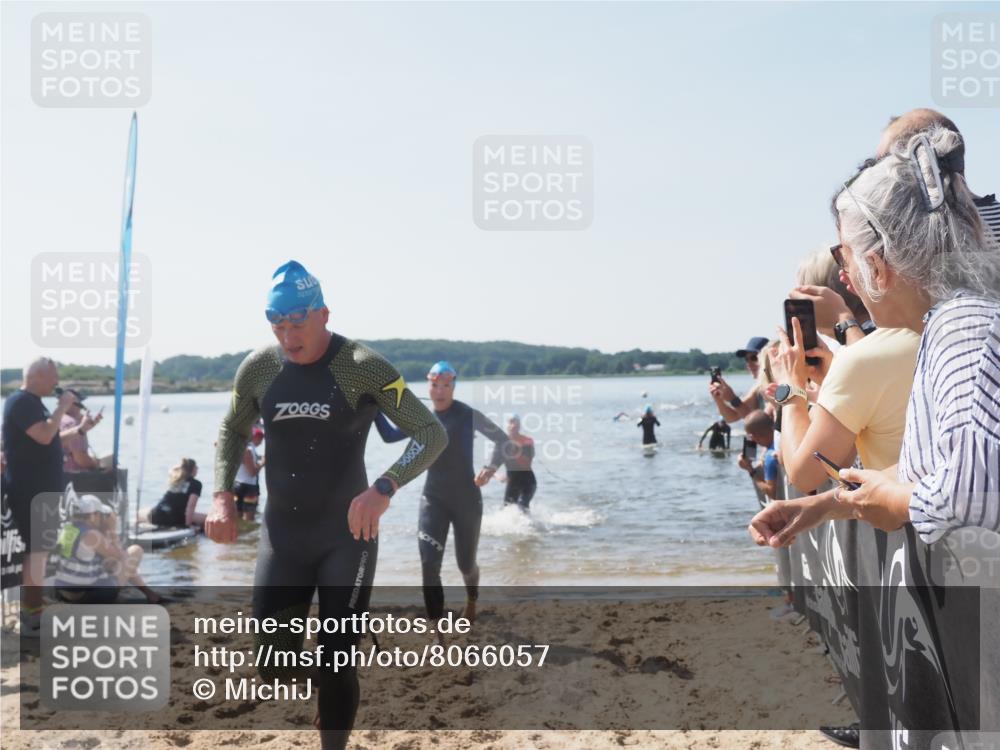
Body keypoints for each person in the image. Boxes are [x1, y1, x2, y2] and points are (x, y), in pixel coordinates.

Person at [204, 260, 447, 750]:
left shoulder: (361, 366)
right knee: (272, 665)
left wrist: (384, 487)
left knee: (338, 657)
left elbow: (430, 433)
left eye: (297, 323)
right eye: (277, 324)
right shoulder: (259, 367)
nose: (287, 335)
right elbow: (231, 429)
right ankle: (330, 685)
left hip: (347, 536)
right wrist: (222, 495)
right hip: (284, 537)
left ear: (323, 314)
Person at [750, 125, 1000, 545]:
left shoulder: (962, 325)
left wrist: (899, 503)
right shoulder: (948, 320)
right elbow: (944, 465)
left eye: (844, 257)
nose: (846, 281)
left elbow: (975, 492)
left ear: (878, 268)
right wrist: (820, 507)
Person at [417, 360, 508, 626]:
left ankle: (471, 601)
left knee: (465, 565)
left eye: (446, 385)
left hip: (466, 499)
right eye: (435, 385)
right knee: (429, 564)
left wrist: (490, 468)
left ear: (454, 387)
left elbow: (503, 440)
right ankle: (437, 631)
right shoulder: (422, 418)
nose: (440, 391)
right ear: (429, 385)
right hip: (432, 499)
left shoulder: (467, 414)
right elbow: (389, 435)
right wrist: (374, 407)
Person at [1, 357, 73, 636]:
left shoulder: (31, 403)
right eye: (53, 377)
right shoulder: (21, 402)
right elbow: (44, 436)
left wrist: (78, 429)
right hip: (29, 489)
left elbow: (49, 438)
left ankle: (33, 609)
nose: (57, 383)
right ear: (37, 377)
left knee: (39, 551)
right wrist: (62, 407)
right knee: (37, 552)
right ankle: (32, 613)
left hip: (40, 489)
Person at [55, 487, 160, 604]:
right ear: (93, 515)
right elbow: (121, 556)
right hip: (83, 596)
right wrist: (112, 530)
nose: (102, 518)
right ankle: (149, 593)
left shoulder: (68, 528)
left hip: (63, 592)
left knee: (111, 564)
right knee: (135, 551)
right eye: (100, 515)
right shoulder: (92, 535)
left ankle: (149, 593)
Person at [710, 336, 769, 422]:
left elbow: (761, 426)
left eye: (754, 358)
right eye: (746, 359)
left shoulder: (778, 385)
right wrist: (718, 399)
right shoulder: (757, 387)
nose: (749, 363)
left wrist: (732, 399)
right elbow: (731, 417)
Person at [146, 458, 205, 530]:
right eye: (196, 467)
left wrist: (181, 467)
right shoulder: (196, 484)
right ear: (193, 469)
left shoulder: (175, 479)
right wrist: (188, 526)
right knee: (207, 519)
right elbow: (191, 506)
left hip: (155, 516)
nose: (197, 469)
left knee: (146, 511)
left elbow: (171, 470)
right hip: (174, 517)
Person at [737, 411, 780, 502]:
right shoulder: (782, 441)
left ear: (752, 437)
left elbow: (772, 493)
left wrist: (750, 469)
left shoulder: (770, 457)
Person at [58, 389, 104, 473]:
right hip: (75, 477)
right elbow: (80, 459)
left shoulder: (57, 420)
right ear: (76, 404)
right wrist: (96, 464)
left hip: (60, 474)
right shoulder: (72, 424)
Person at [500, 414, 536, 511]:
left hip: (527, 482)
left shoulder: (527, 441)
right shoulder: (501, 444)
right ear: (506, 426)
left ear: (519, 426)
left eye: (516, 423)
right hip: (512, 483)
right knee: (505, 511)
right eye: (510, 422)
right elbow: (491, 466)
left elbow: (526, 464)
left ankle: (532, 525)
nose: (513, 425)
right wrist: (497, 475)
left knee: (521, 507)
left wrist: (515, 450)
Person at [233, 426, 265, 520]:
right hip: (249, 487)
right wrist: (263, 463)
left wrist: (259, 459)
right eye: (261, 438)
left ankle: (240, 534)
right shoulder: (248, 450)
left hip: (237, 485)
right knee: (249, 520)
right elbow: (252, 472)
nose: (261, 441)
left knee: (237, 519)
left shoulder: (239, 447)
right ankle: (247, 534)